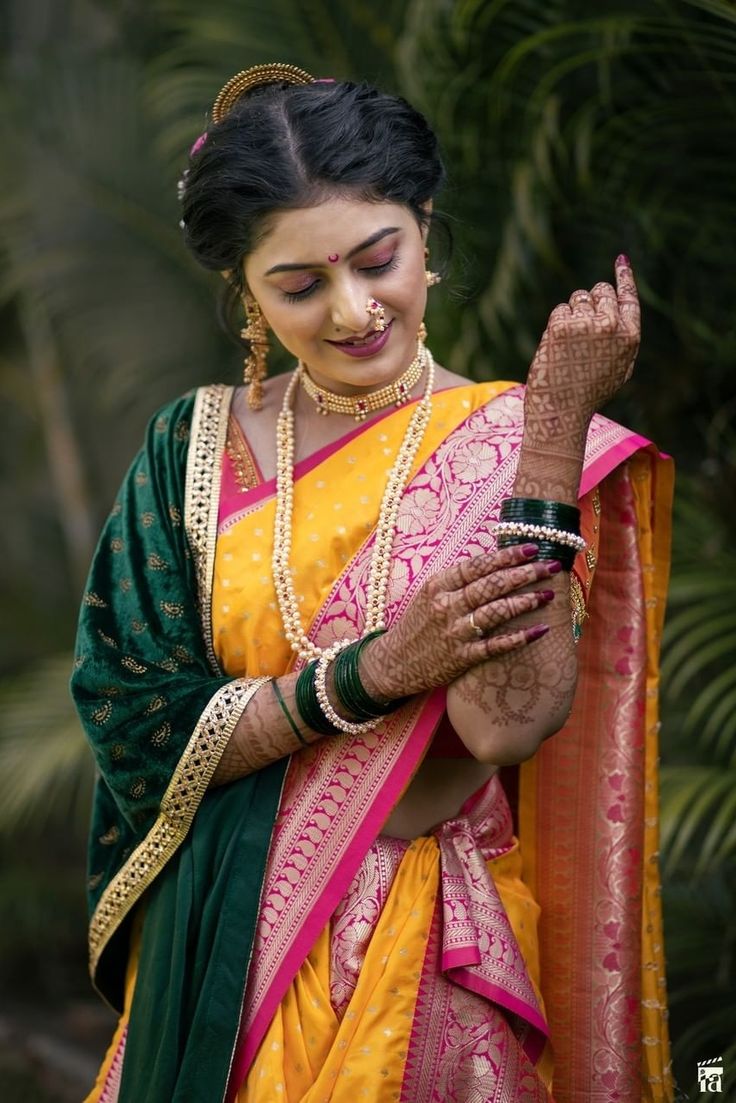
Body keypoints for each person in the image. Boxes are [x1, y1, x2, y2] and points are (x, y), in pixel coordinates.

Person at [71, 63, 673, 1102]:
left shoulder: (498, 441)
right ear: (245, 293)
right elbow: (133, 717)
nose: (352, 311)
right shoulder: (192, 450)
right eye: (299, 285)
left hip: (419, 948)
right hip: (222, 945)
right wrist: (372, 672)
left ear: (424, 231)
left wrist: (550, 435)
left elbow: (507, 723)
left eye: (376, 259)